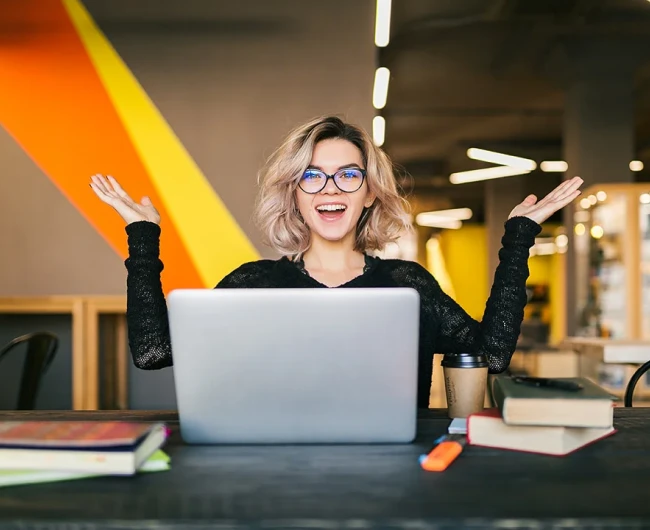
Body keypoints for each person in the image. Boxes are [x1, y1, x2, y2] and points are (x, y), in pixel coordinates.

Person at [90, 115, 582, 408]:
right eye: (312, 176)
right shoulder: (254, 283)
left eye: (348, 174)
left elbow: (491, 354)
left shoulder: (406, 284)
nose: (329, 188)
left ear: (369, 193)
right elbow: (153, 352)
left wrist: (519, 239)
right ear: (295, 195)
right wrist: (142, 237)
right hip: (274, 473)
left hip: (393, 474)